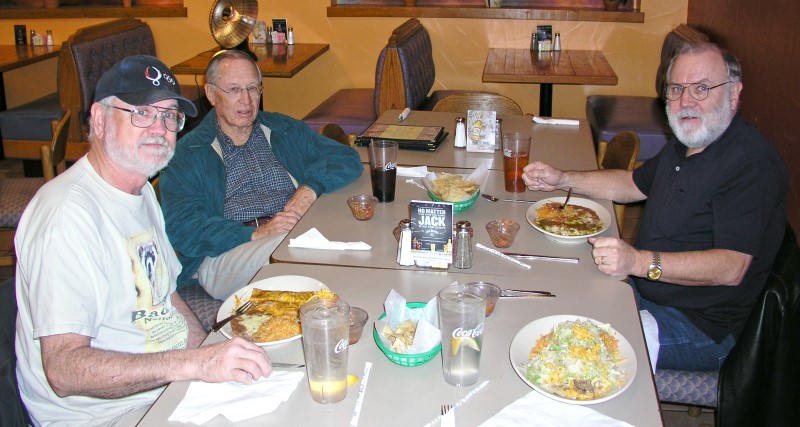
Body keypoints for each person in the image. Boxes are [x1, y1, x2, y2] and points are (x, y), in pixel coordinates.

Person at [14, 55, 273, 426]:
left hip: (165, 387)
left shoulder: (140, 187)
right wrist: (194, 364)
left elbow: (166, 296)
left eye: (169, 116)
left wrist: (210, 354)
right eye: (141, 113)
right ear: (100, 120)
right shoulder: (66, 218)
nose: (159, 127)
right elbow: (63, 369)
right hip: (105, 415)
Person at [523, 41, 788, 371]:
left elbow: (732, 268)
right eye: (676, 89)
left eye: (702, 88)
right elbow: (631, 185)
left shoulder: (750, 165)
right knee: (552, 293)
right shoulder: (691, 142)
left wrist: (636, 261)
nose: (685, 101)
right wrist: (563, 179)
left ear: (734, 94)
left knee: (574, 352)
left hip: (701, 328)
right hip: (650, 292)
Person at [159, 49, 362, 300]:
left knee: (354, 235)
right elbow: (182, 226)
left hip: (292, 231)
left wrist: (308, 190)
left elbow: (346, 158)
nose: (246, 101)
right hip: (226, 254)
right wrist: (255, 234)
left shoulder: (282, 129)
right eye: (234, 90)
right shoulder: (188, 153)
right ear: (211, 94)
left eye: (253, 88)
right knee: (302, 251)